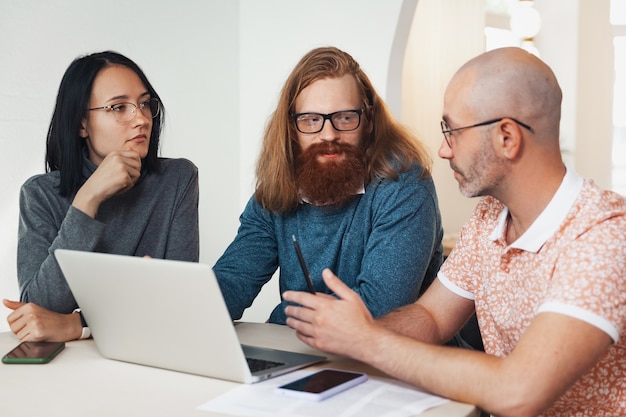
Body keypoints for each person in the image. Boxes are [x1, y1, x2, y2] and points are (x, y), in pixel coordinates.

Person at [283, 47, 626, 417]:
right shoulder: (489, 218)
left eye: (453, 131)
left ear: (506, 137)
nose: (443, 150)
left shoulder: (604, 237)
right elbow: (431, 318)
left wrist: (368, 341)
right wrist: (353, 330)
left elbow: (519, 391)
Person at [214, 46, 443, 325]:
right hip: (307, 352)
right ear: (291, 127)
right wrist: (181, 304)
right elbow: (233, 281)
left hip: (396, 362)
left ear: (368, 121)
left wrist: (282, 314)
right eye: (311, 120)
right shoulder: (277, 191)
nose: (329, 134)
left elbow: (380, 307)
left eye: (345, 117)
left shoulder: (403, 185)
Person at [3, 51, 200, 343]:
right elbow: (40, 310)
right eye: (119, 107)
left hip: (151, 351)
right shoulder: (39, 194)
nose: (142, 119)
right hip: (68, 365)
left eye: (145, 104)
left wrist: (76, 324)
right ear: (81, 124)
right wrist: (88, 199)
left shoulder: (177, 179)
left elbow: (176, 303)